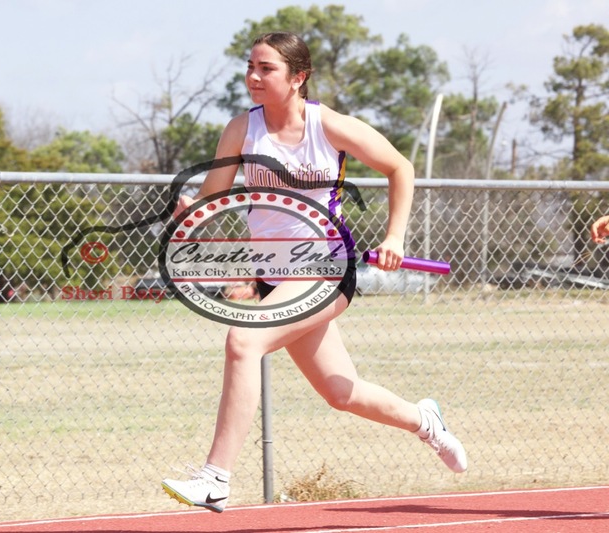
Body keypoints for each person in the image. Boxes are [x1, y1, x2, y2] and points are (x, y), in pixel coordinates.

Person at [161, 31, 467, 513]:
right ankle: (425, 421)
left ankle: (215, 478)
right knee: (340, 392)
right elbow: (212, 198)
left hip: (326, 268)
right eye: (251, 67)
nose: (254, 77)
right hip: (274, 274)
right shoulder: (241, 128)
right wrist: (188, 213)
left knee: (244, 339)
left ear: (298, 78)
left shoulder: (329, 126)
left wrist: (394, 238)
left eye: (267, 69)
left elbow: (400, 168)